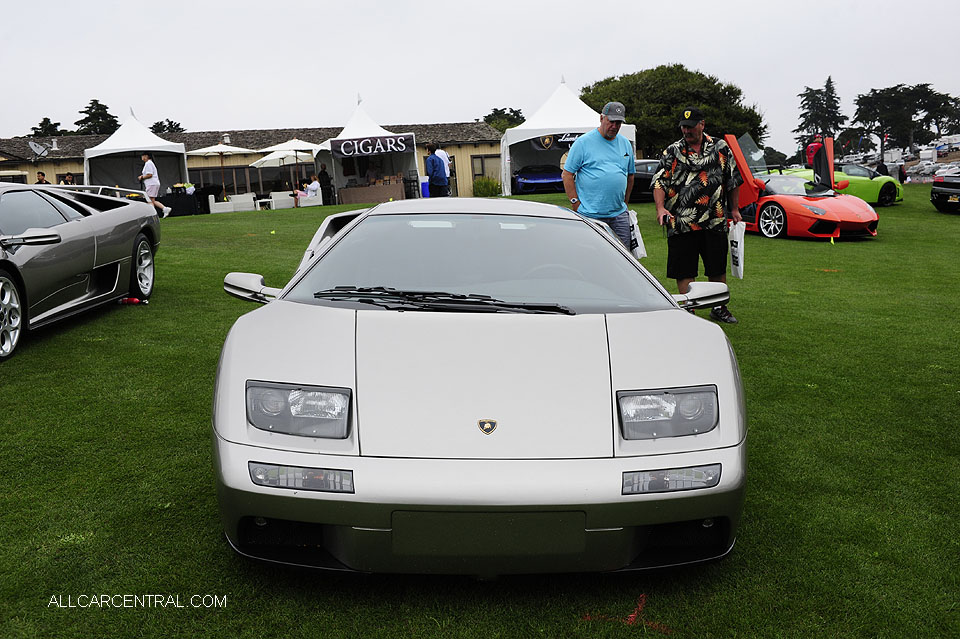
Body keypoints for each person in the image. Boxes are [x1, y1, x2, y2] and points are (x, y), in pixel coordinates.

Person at [652, 106, 743, 324]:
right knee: (684, 270)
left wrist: (735, 209)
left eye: (690, 127)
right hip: (681, 221)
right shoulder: (672, 151)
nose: (686, 131)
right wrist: (660, 208)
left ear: (702, 124)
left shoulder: (720, 148)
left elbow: (733, 180)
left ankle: (719, 308)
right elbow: (659, 181)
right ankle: (689, 310)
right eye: (683, 127)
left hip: (715, 218)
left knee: (717, 267)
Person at [561, 101, 636, 248]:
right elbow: (567, 174)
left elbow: (630, 176)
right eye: (611, 121)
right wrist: (575, 203)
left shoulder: (625, 143)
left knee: (624, 259)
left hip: (619, 216)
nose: (615, 126)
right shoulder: (583, 143)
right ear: (602, 118)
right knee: (591, 255)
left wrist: (624, 204)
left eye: (619, 123)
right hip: (590, 215)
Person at [138, 152, 172, 218]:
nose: (141, 158)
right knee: (152, 200)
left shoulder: (148, 163)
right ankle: (165, 209)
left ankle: (152, 215)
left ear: (146, 156)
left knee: (149, 200)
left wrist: (141, 177)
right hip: (153, 184)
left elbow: (150, 175)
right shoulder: (149, 163)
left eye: (142, 156)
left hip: (151, 184)